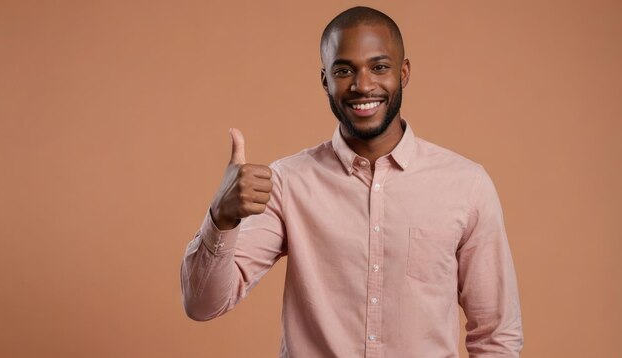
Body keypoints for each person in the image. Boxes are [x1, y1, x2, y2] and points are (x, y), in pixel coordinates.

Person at [181, 6, 524, 357]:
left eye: (379, 67)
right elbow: (202, 304)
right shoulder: (288, 183)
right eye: (344, 70)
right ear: (325, 79)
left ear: (403, 72)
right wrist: (220, 219)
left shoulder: (466, 186)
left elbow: (496, 335)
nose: (363, 85)